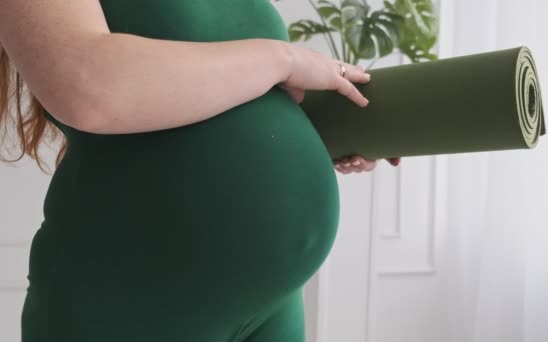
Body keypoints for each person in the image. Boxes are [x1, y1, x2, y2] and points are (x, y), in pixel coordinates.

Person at [0, 1, 400, 341]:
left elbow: (221, 93)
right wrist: (285, 59)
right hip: (131, 291)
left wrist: (333, 132)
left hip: (270, 302)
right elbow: (85, 84)